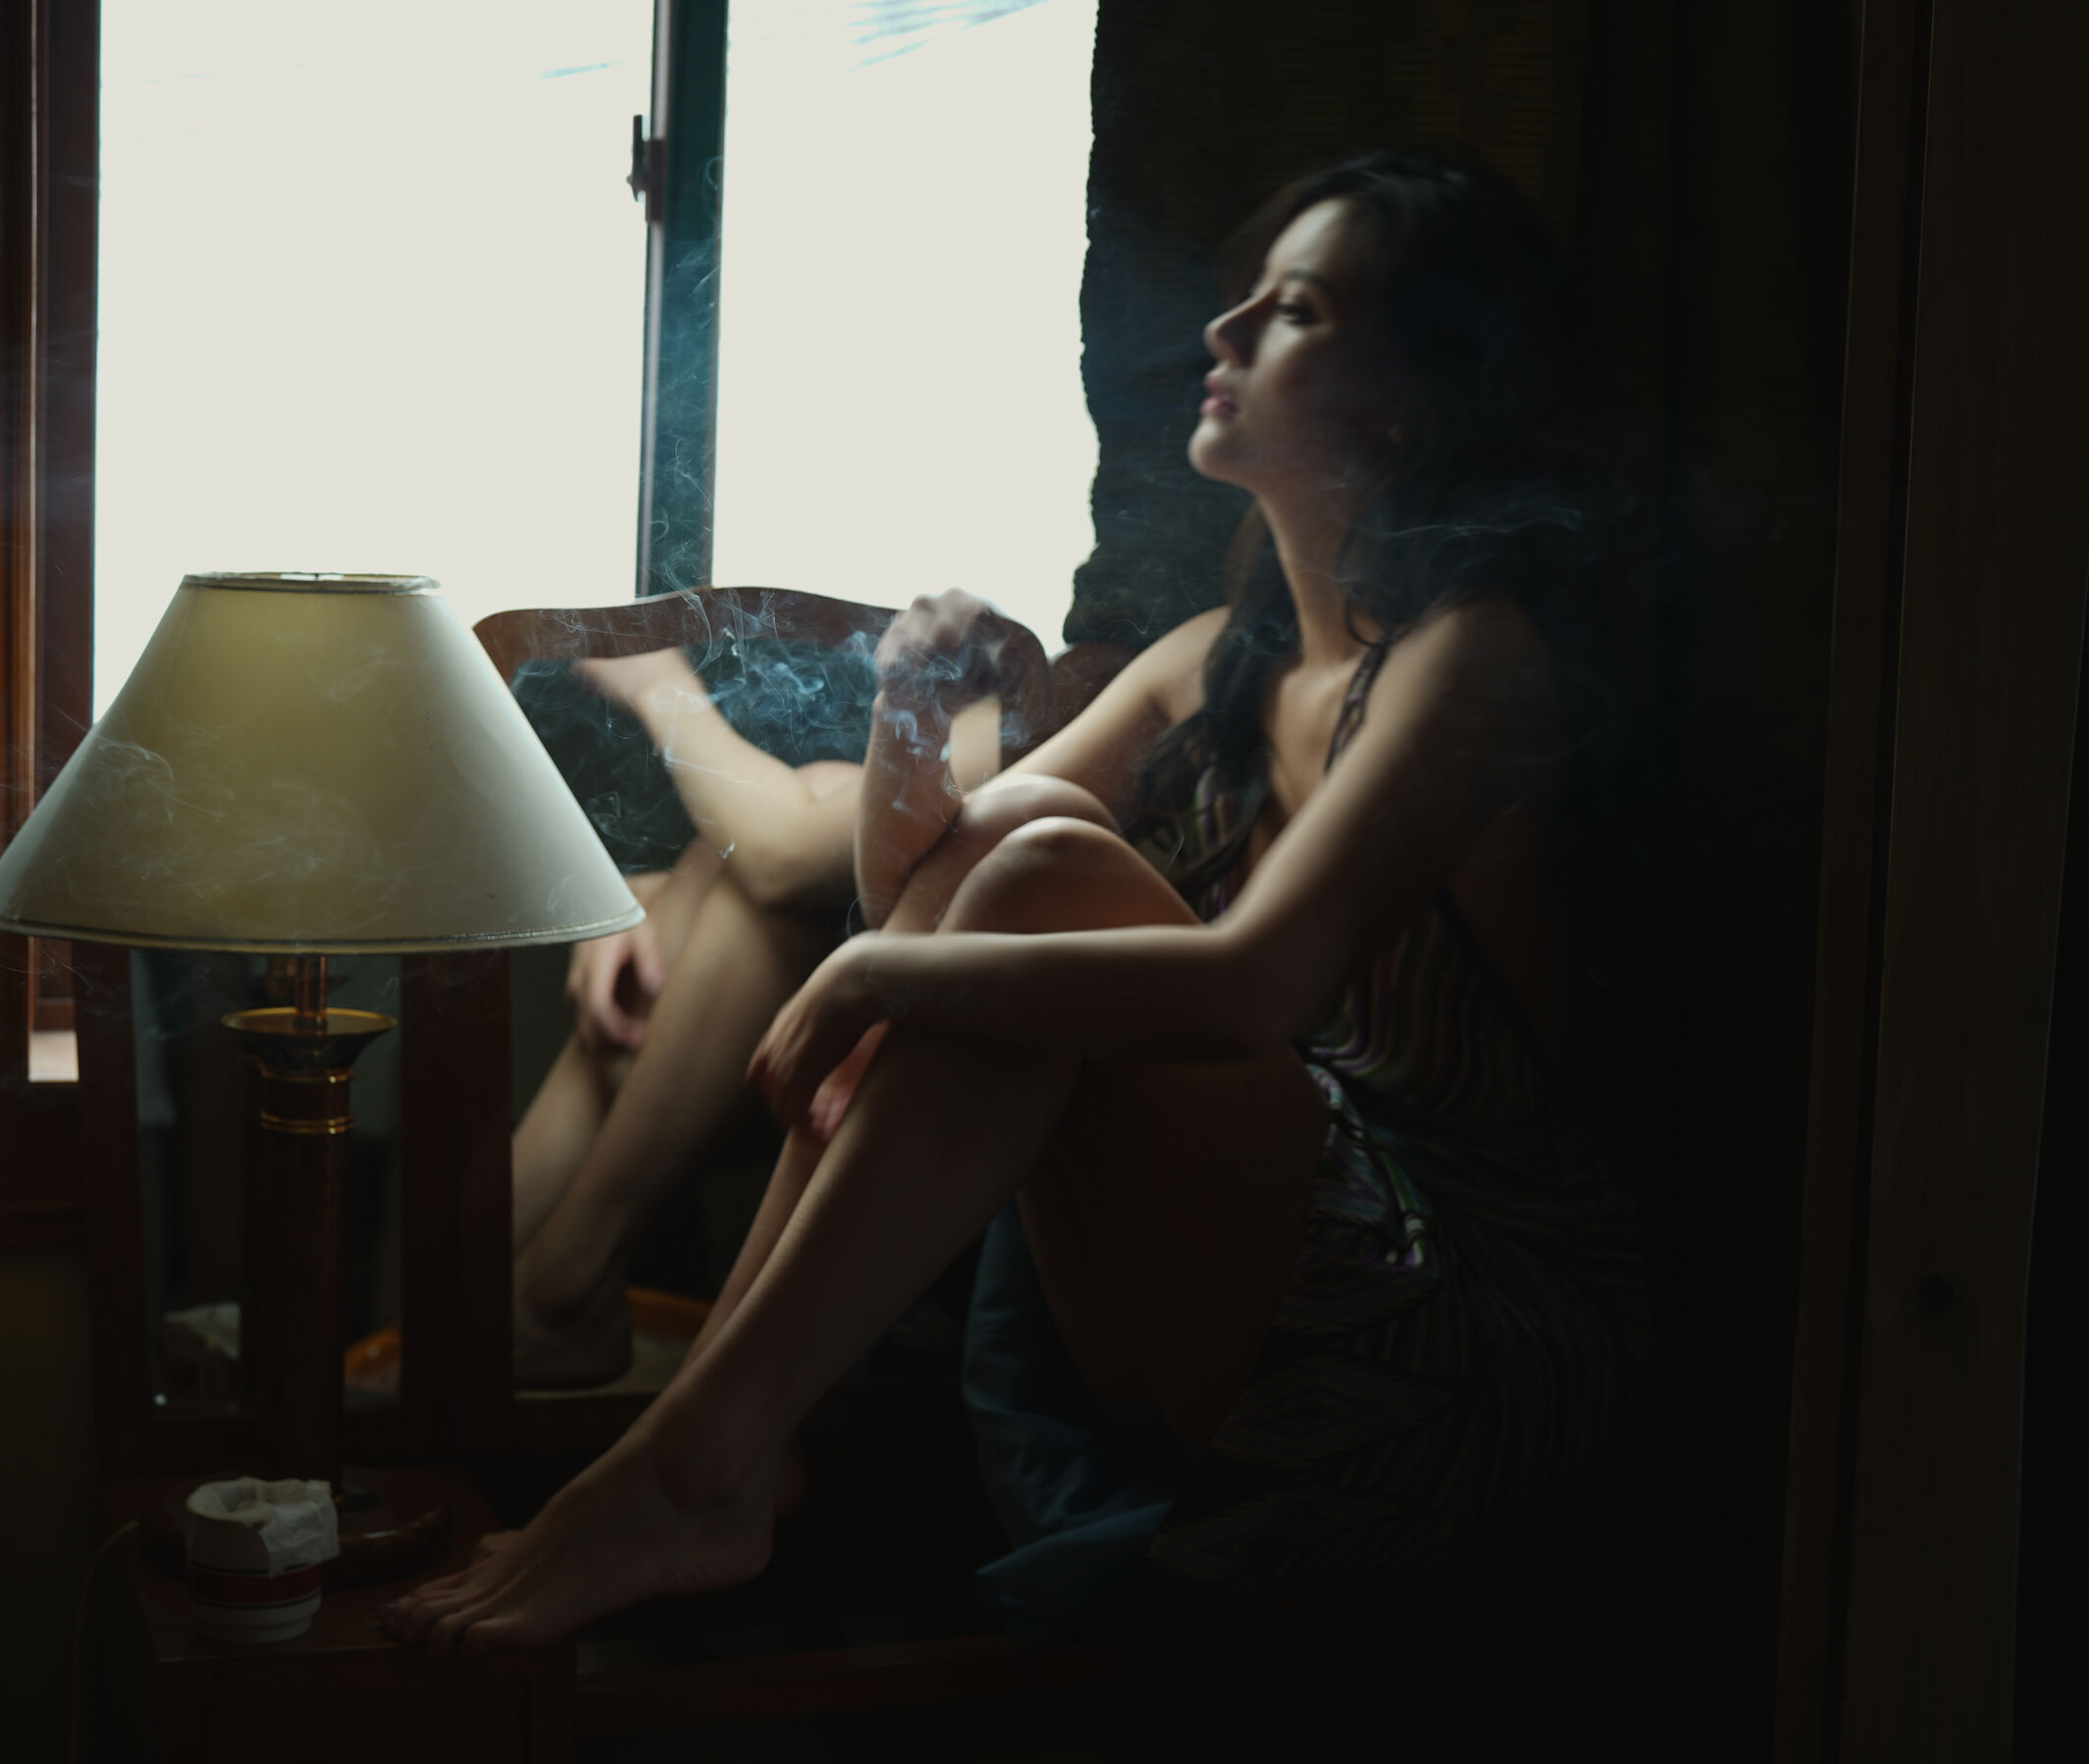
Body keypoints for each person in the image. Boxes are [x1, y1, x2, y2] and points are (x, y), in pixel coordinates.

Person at [386, 149, 1650, 1652]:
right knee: (1026, 833)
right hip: (1241, 1296)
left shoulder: (1472, 658)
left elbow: (1254, 985)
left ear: (1412, 400)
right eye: (1245, 297)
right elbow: (923, 899)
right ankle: (711, 1452)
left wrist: (869, 978)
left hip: (1449, 1337)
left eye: (1296, 311)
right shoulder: (1212, 660)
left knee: (1046, 862)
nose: (1225, 329)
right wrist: (913, 712)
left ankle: (698, 1460)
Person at [509, 648, 1012, 1388]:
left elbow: (783, 858)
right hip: (864, 1016)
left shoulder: (1080, 697)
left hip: (954, 1055)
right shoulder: (1036, 697)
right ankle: (508, 1290)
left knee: (784, 844)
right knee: (737, 854)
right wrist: (646, 897)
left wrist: (657, 684)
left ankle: (543, 1289)